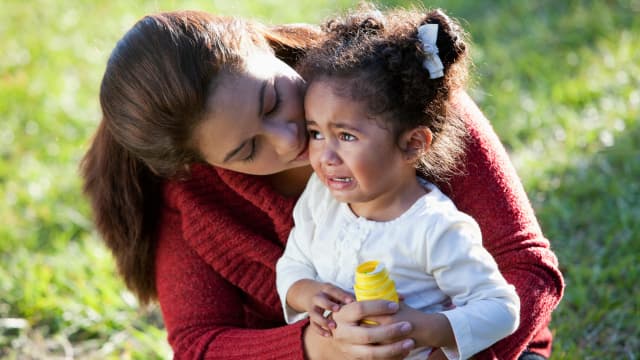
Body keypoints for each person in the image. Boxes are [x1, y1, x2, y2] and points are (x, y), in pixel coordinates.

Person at [80, 5, 564, 360]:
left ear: (260, 44)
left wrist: (442, 348)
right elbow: (200, 344)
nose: (289, 137)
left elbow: (526, 265)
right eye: (247, 150)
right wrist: (319, 345)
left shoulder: (393, 86)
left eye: (272, 100)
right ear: (201, 163)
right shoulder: (192, 195)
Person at [275, 7, 519, 360]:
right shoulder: (321, 197)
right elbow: (294, 260)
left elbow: (501, 309)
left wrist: (424, 327)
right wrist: (305, 292)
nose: (325, 155)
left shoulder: (434, 228)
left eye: (345, 135)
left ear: (412, 144)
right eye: (315, 132)